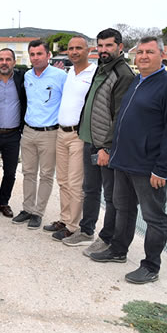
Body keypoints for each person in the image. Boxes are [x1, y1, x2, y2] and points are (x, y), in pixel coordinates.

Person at [90, 37, 167, 284]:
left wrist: (163, 170)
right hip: (123, 161)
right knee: (123, 208)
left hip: (148, 167)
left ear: (162, 56)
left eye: (150, 52)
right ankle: (118, 250)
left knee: (154, 217)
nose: (143, 56)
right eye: (140, 52)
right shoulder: (137, 81)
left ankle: (151, 266)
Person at [62, 28, 135, 254]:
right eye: (101, 46)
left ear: (120, 47)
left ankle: (107, 238)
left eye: (109, 45)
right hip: (89, 140)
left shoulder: (123, 74)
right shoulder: (101, 69)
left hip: (106, 146)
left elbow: (120, 116)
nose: (104, 50)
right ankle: (86, 231)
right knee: (90, 189)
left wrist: (107, 147)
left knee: (111, 196)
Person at [44, 36, 96, 241]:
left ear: (88, 51)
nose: (74, 52)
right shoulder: (69, 73)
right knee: (63, 181)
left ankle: (74, 227)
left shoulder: (94, 73)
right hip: (61, 133)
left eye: (79, 48)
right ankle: (64, 219)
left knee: (75, 183)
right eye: (71, 48)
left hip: (78, 135)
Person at [12, 40, 67, 229]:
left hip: (49, 133)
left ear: (48, 55)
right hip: (28, 131)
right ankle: (27, 209)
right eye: (32, 54)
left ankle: (38, 212)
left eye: (39, 54)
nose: (35, 58)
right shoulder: (27, 76)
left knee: (46, 175)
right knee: (28, 172)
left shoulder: (60, 76)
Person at [0, 48, 26, 218]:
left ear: (14, 62)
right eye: (1, 59)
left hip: (13, 134)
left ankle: (4, 202)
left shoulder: (21, 78)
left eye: (8, 59)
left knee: (10, 171)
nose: (4, 62)